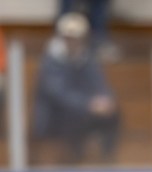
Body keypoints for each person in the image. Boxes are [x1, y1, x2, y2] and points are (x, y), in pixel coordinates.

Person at [33, 12, 120, 163]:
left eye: (76, 37)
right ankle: (73, 162)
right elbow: (58, 94)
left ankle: (107, 159)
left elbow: (99, 83)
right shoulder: (51, 59)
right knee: (75, 118)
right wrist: (88, 104)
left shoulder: (87, 57)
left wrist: (105, 100)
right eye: (69, 37)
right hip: (57, 113)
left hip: (84, 109)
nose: (72, 41)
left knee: (113, 115)